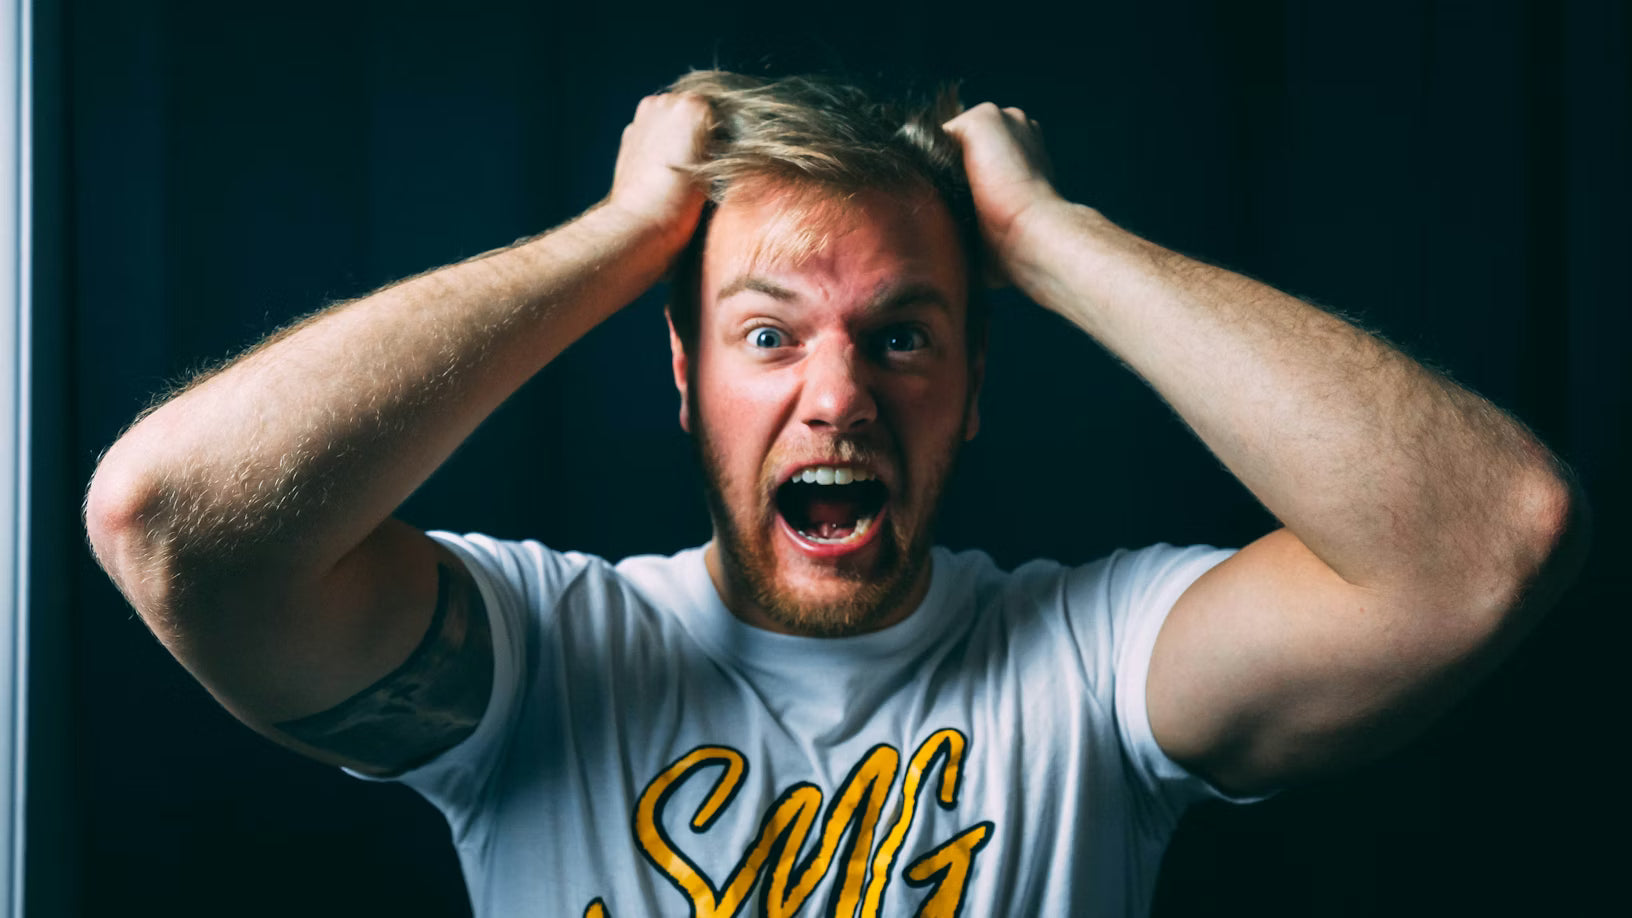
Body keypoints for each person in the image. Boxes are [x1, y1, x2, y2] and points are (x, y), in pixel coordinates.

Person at [83, 70, 1586, 916]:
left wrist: (1049, 238)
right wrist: (622, 235)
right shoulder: (543, 659)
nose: (841, 392)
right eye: (767, 331)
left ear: (975, 386)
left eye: (905, 334)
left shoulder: (1090, 669)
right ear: (683, 376)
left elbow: (1483, 542)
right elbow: (175, 522)